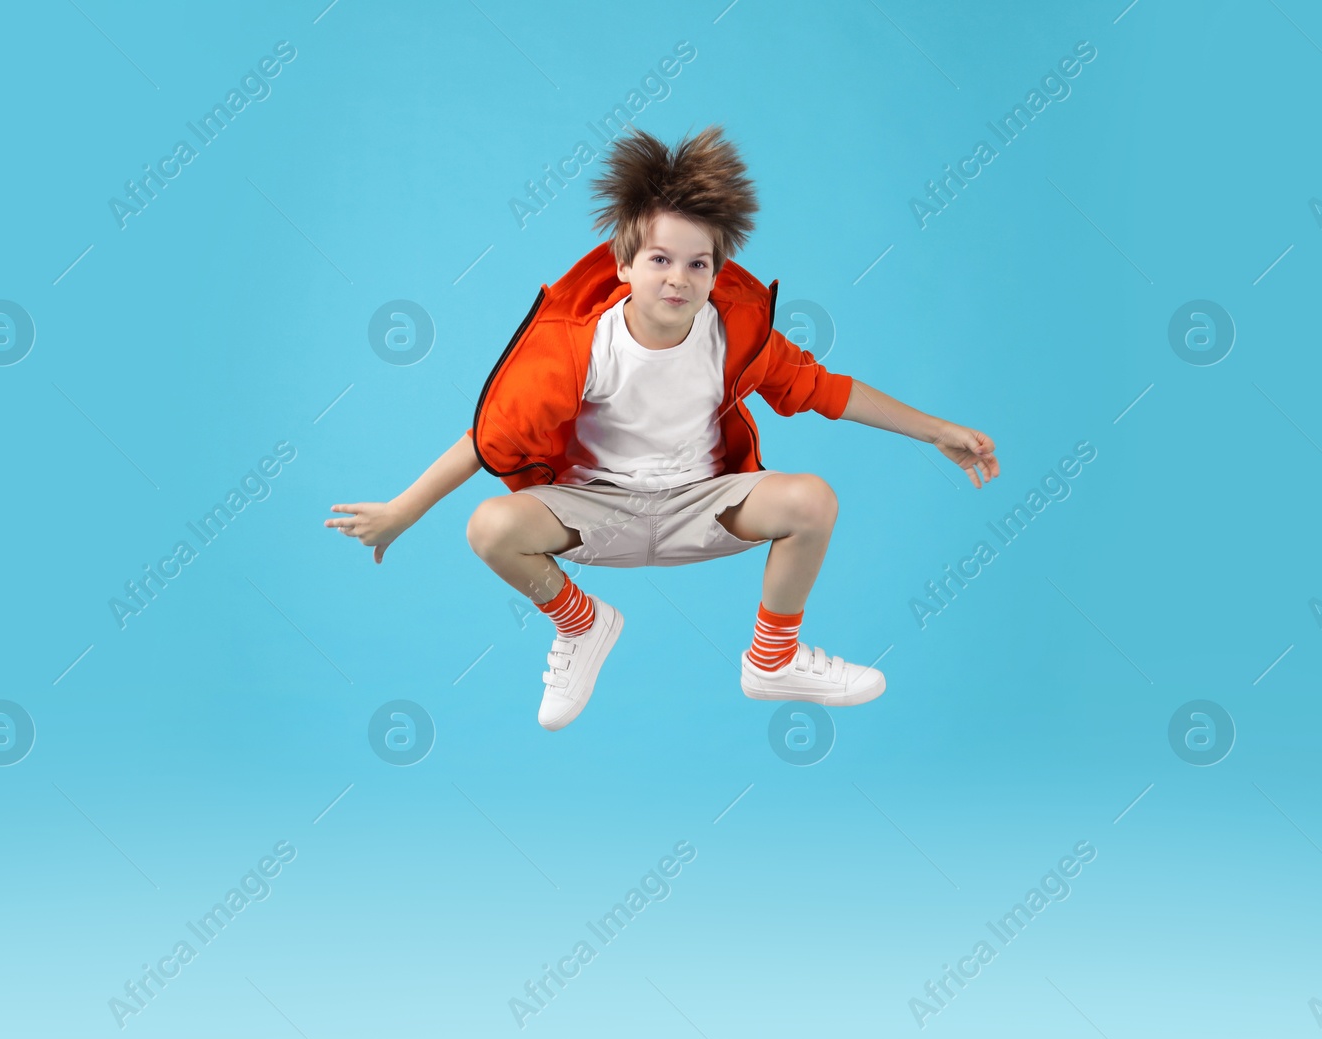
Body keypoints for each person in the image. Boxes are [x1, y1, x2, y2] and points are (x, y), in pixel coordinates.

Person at [329, 125, 1000, 731]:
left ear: (716, 272)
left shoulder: (736, 332)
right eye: (658, 259)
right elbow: (487, 441)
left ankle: (772, 659)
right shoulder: (576, 348)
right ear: (622, 266)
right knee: (489, 526)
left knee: (812, 500)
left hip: (700, 506)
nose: (677, 278)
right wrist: (399, 512)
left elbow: (823, 388)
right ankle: (582, 625)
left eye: (696, 263)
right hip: (596, 509)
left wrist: (935, 428)